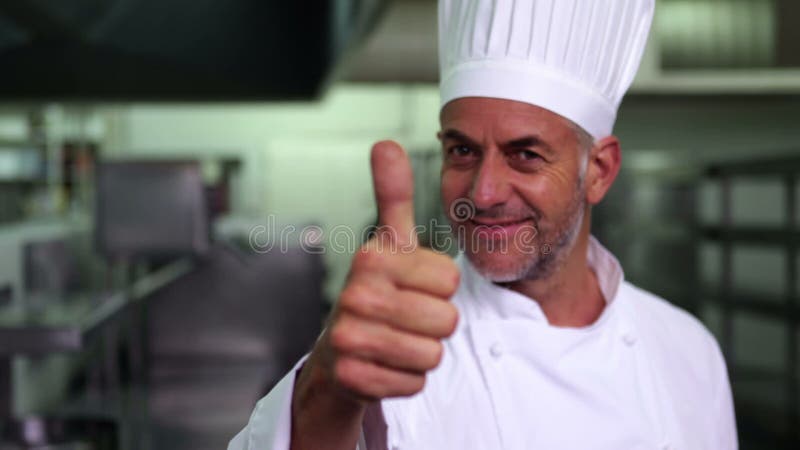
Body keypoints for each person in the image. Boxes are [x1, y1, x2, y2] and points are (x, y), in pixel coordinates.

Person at [229, 0, 738, 449]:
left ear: (598, 171)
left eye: (525, 155)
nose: (483, 193)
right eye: (463, 151)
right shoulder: (400, 350)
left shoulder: (688, 351)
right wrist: (328, 388)